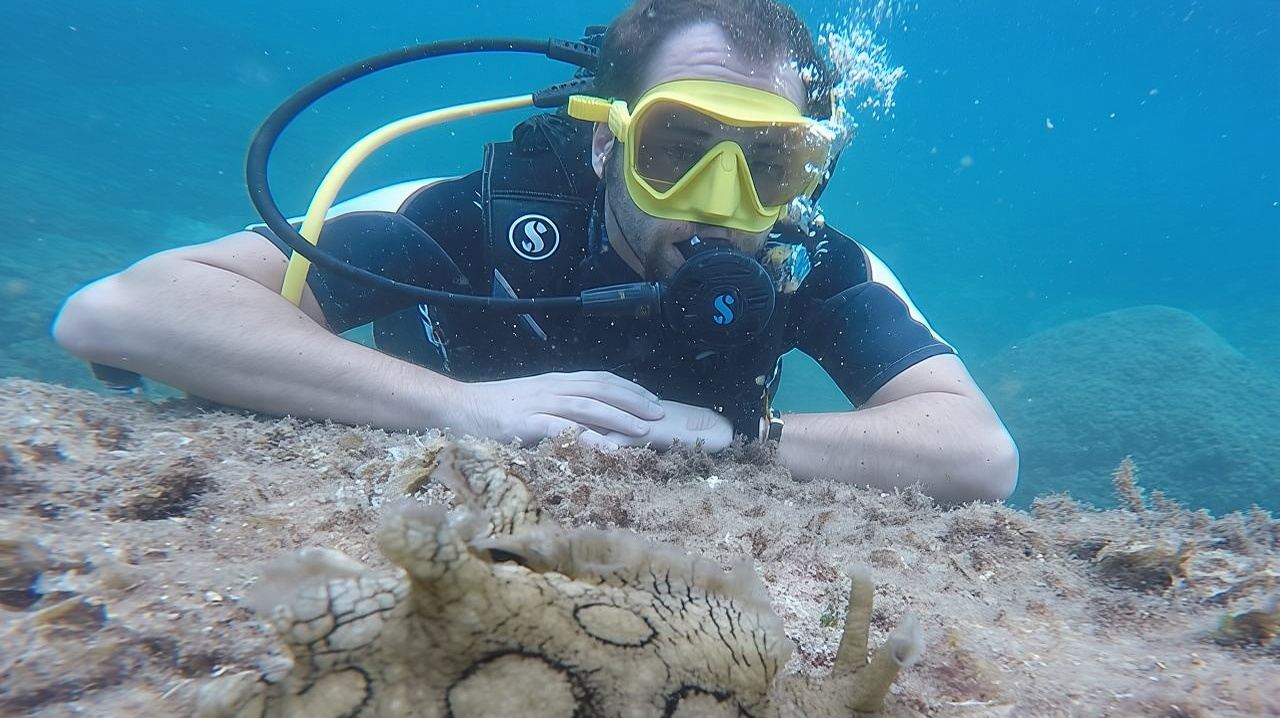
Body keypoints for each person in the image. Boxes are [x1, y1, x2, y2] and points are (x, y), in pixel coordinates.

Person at [53, 0, 1018, 503]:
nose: (724, 204)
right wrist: (458, 406)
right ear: (604, 140)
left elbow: (977, 451)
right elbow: (121, 310)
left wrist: (749, 437)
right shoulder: (479, 212)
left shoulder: (807, 259)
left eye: (770, 161)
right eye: (678, 148)